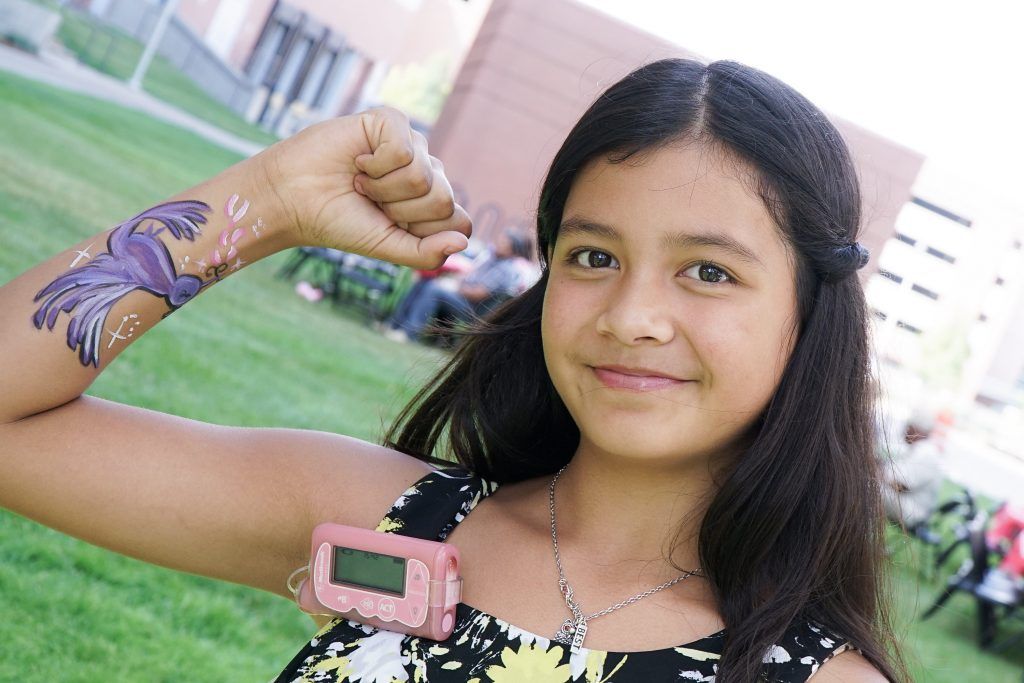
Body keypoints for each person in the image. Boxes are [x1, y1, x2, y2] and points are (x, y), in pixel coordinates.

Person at [0, 59, 904, 682]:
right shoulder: (388, 526)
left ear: (808, 315)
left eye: (709, 271)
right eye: (592, 257)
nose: (632, 316)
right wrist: (271, 200)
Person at [382, 228, 534, 343]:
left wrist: (455, 287)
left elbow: (478, 294)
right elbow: (470, 276)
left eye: (503, 243)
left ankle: (409, 333)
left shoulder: (507, 269)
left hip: (473, 309)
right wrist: (456, 282)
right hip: (463, 297)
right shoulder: (492, 258)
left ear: (512, 250)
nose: (497, 243)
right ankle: (394, 325)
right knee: (425, 281)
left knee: (433, 289)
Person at [881, 412, 945, 530]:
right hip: (909, 505)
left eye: (909, 426)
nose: (905, 430)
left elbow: (900, 486)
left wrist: (878, 473)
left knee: (870, 487)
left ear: (918, 430)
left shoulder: (927, 452)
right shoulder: (921, 449)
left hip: (914, 513)